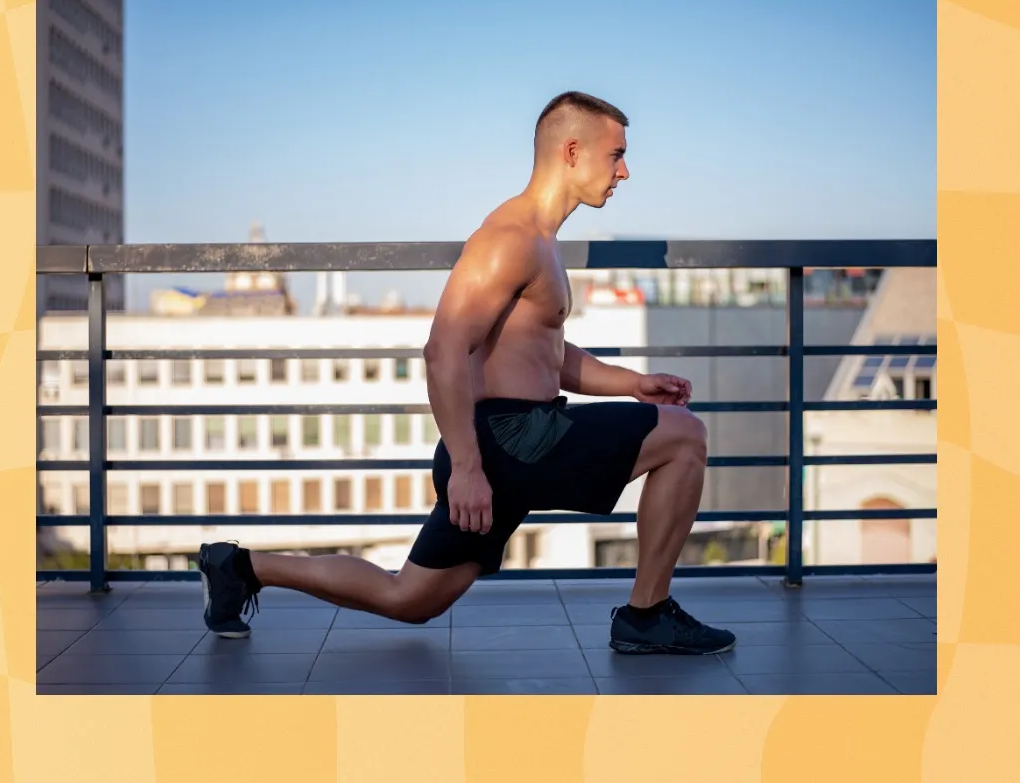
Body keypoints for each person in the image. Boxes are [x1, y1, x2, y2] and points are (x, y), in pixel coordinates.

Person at [198, 91, 736, 655]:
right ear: (572, 151)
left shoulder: (542, 241)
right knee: (684, 436)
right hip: (508, 441)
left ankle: (238, 566)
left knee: (410, 598)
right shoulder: (510, 240)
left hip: (510, 441)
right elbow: (443, 350)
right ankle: (646, 615)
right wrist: (468, 469)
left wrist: (631, 383)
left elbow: (545, 356)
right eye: (616, 155)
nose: (625, 171)